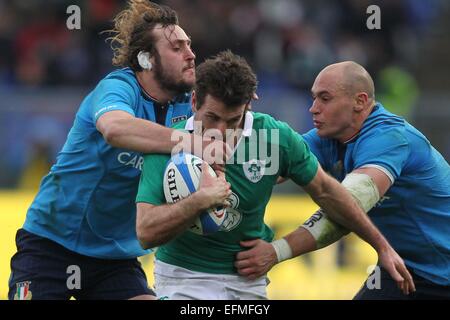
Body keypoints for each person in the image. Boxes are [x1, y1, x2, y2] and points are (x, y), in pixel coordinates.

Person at [135, 51, 414, 300]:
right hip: (184, 278)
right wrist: (199, 201)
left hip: (248, 283)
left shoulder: (273, 137)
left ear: (248, 106)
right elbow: (146, 232)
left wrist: (381, 246)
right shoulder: (170, 143)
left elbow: (327, 192)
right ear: (195, 101)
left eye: (233, 121)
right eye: (212, 118)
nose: (219, 131)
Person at [8, 1, 227, 300]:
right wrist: (192, 142)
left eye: (189, 45)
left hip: (113, 259)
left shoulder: (188, 102)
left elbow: (229, 122)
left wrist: (238, 96)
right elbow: (115, 129)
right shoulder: (117, 88)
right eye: (177, 48)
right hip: (50, 244)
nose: (191, 55)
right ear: (147, 60)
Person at [235, 61, 450, 300]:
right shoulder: (326, 137)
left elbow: (347, 209)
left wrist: (276, 251)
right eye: (314, 98)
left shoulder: (389, 138)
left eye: (325, 99)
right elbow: (265, 171)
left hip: (443, 270)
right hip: (403, 266)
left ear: (360, 101)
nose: (313, 109)